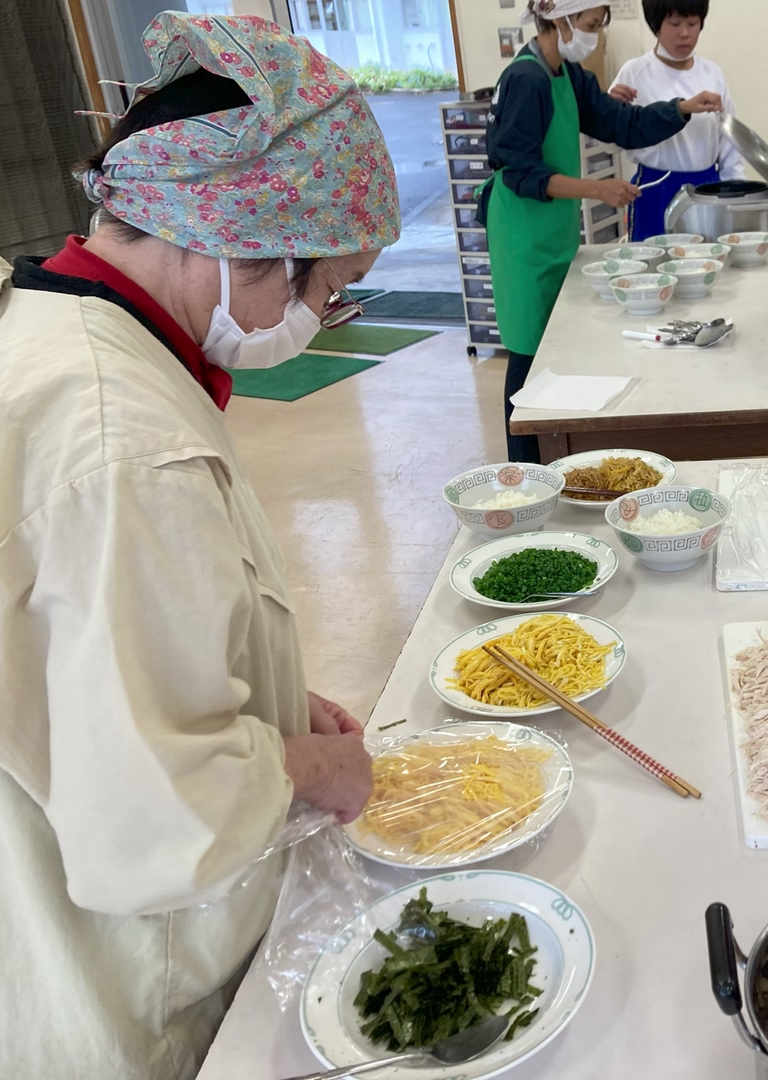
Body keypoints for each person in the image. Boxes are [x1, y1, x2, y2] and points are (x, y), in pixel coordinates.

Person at [0, 14, 391, 1078]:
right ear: (237, 234)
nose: (319, 314)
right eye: (318, 287)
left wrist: (261, 699)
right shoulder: (121, 442)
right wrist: (305, 764)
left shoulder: (67, 334)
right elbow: (149, 808)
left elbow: (109, 656)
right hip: (131, 989)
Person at [484, 0, 722, 462]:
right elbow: (518, 170)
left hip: (552, 227)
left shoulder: (568, 75)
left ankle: (558, 455)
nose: (593, 36)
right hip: (522, 236)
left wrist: (679, 108)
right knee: (529, 351)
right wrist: (597, 189)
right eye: (590, 25)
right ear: (559, 19)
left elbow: (621, 123)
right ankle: (526, 465)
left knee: (556, 343)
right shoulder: (526, 79)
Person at [608, 0, 744, 242]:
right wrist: (610, 105)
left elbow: (730, 143)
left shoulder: (712, 74)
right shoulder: (634, 72)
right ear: (656, 25)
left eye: (693, 23)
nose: (685, 33)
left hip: (707, 190)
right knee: (653, 270)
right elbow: (611, 139)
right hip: (654, 190)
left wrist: (733, 193)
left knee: (710, 266)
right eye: (675, 23)